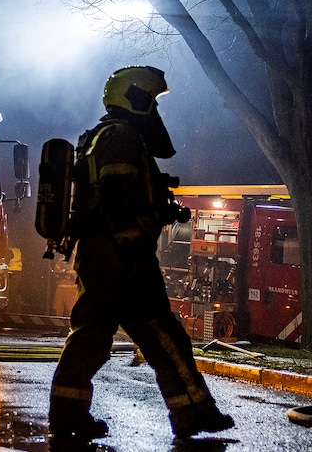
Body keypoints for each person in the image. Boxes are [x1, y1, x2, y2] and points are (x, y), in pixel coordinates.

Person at [48, 66, 235, 440]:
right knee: (158, 334)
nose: (154, 107)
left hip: (104, 252)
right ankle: (193, 412)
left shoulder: (106, 135)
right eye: (151, 99)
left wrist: (160, 210)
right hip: (118, 254)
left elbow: (117, 196)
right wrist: (134, 252)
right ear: (135, 97)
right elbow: (118, 201)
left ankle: (73, 416)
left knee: (101, 335)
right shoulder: (119, 137)